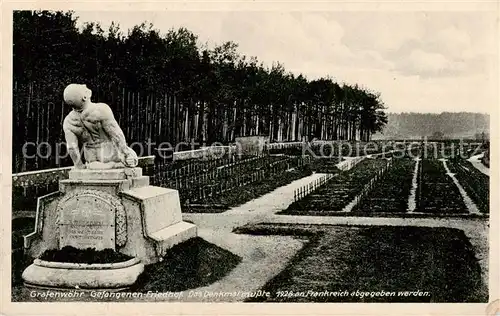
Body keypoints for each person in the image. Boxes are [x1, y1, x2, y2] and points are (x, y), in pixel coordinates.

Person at [62, 84, 138, 169]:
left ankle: (101, 166)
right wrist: (126, 153)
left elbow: (72, 147)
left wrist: (79, 166)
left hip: (91, 158)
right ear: (84, 97)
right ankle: (115, 165)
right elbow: (116, 134)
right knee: (132, 159)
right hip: (110, 153)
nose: (84, 85)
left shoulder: (68, 121)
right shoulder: (101, 109)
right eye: (81, 87)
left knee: (92, 166)